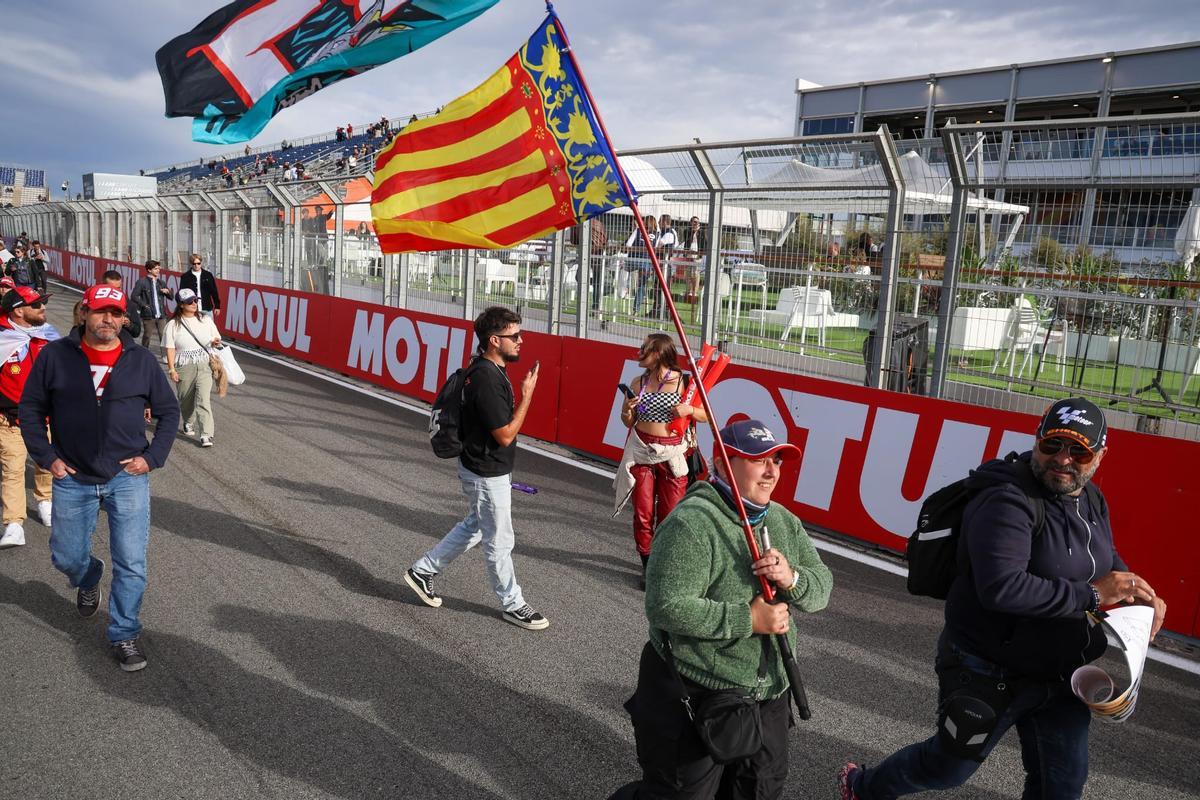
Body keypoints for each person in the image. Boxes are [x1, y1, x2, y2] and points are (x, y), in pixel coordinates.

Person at [838, 397, 1168, 800]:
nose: (1063, 460)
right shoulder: (1005, 499)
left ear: (1100, 454)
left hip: (1061, 671)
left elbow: (1103, 560)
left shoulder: (1093, 500)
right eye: (1053, 445)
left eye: (1079, 450)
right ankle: (864, 787)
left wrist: (1137, 593)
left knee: (1061, 786)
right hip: (989, 667)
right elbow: (1003, 587)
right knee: (948, 768)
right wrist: (1095, 595)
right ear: (1036, 439)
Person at [610, 419, 834, 800]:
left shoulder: (783, 521)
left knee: (759, 793)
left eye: (777, 460)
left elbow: (822, 589)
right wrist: (748, 619)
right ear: (722, 461)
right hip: (696, 694)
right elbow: (665, 607)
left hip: (769, 694)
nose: (771, 471)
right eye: (758, 459)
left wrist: (792, 578)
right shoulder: (691, 523)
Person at [19, 284, 180, 672]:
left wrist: (152, 458)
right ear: (83, 313)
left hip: (127, 477)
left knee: (132, 562)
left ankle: (124, 632)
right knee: (66, 556)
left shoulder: (140, 360)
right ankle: (90, 575)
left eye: (115, 313)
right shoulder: (55, 356)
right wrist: (47, 458)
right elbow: (30, 408)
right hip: (72, 475)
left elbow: (169, 413)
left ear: (125, 318)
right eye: (100, 312)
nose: (108, 320)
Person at [403, 306, 549, 631]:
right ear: (494, 340)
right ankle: (514, 604)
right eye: (515, 336)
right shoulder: (485, 378)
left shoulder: (487, 369)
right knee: (499, 540)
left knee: (476, 527)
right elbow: (506, 434)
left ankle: (422, 571)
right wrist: (527, 397)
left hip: (484, 467)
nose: (521, 341)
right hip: (486, 472)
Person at [614, 334, 708, 581]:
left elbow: (707, 415)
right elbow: (628, 422)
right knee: (643, 514)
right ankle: (648, 563)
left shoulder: (685, 382)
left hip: (672, 455)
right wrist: (627, 410)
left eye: (644, 348)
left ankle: (665, 560)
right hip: (642, 452)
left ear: (658, 353)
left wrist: (689, 410)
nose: (639, 351)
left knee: (670, 515)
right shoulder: (637, 382)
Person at [0, 287, 58, 548]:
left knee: (46, 462)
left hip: (46, 417)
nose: (42, 308)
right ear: (19, 310)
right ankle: (14, 524)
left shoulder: (50, 335)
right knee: (12, 470)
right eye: (37, 305)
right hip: (9, 419)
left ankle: (45, 500)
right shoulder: (2, 337)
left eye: (43, 303)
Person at [164, 288, 222, 448]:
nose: (194, 304)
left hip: (204, 362)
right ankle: (188, 422)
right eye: (190, 302)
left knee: (204, 399)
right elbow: (170, 348)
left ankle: (206, 434)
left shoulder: (206, 319)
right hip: (184, 364)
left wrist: (215, 341)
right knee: (186, 399)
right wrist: (172, 369)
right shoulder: (172, 325)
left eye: (195, 300)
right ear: (181, 305)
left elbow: (215, 337)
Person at [132, 260, 172, 358]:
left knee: (163, 335)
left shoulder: (161, 282)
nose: (158, 270)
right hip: (149, 314)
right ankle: (144, 353)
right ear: (149, 270)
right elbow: (134, 296)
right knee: (147, 335)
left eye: (159, 268)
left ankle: (165, 356)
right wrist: (144, 305)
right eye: (155, 269)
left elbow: (171, 297)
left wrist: (168, 292)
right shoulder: (142, 282)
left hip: (161, 314)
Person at [625, 215, 658, 315]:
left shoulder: (638, 231)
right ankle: (636, 309)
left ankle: (624, 289)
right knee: (642, 285)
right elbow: (656, 248)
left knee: (623, 269)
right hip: (647, 262)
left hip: (634, 260)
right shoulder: (657, 234)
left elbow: (628, 244)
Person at [101, 269, 142, 341]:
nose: (116, 291)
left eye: (118, 288)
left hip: (122, 346)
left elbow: (136, 332)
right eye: (112, 288)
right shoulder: (92, 302)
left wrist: (128, 324)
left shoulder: (129, 304)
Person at [180, 253, 221, 320]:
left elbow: (214, 291)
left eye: (198, 263)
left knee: (209, 329)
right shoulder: (185, 277)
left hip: (207, 308)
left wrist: (217, 306)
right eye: (194, 264)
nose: (196, 265)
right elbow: (182, 294)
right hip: (192, 310)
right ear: (191, 264)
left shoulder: (208, 275)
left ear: (201, 263)